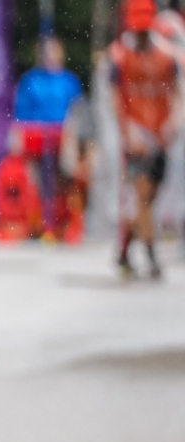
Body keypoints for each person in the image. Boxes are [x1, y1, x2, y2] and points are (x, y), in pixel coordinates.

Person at [109, 0, 179, 278]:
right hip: (136, 136)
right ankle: (151, 256)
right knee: (143, 196)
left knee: (148, 200)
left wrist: (173, 124)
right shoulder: (121, 56)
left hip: (160, 136)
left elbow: (178, 93)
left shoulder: (167, 55)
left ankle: (125, 250)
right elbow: (115, 99)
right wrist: (127, 135)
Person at [14, 38, 83, 239]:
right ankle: (39, 224)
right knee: (37, 182)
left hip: (64, 136)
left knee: (67, 179)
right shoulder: (30, 81)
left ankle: (69, 222)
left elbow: (77, 113)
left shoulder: (69, 81)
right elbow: (21, 114)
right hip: (37, 138)